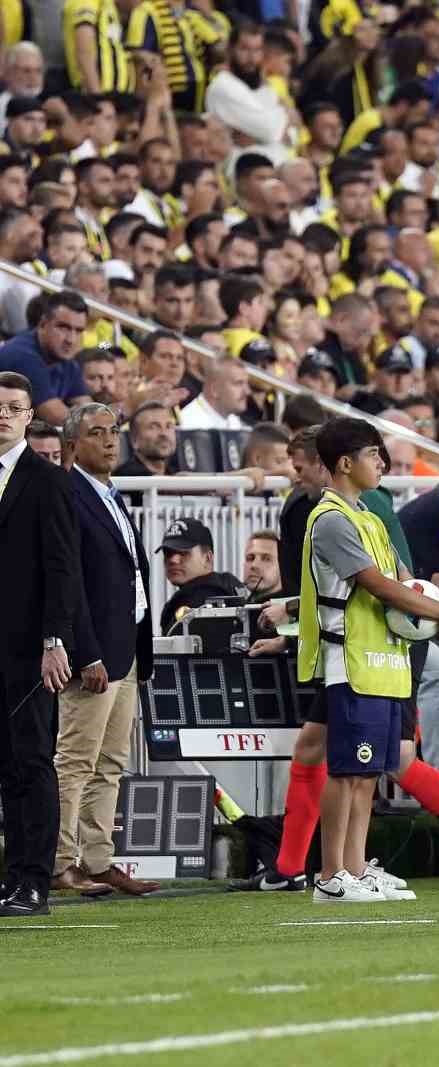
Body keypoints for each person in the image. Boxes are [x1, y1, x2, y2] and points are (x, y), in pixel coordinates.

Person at [297, 417, 439, 903]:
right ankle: (330, 876)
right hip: (351, 659)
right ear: (345, 464)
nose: (382, 464)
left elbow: (404, 577)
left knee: (369, 773)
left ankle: (355, 867)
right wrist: (436, 610)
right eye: (373, 455)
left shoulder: (369, 515)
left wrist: (438, 613)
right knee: (346, 770)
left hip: (387, 661)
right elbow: (377, 583)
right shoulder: (331, 519)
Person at [54, 404, 156, 898]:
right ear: (73, 446)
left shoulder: (110, 495)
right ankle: (59, 862)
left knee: (110, 761)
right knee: (76, 760)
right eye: (97, 433)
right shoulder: (69, 496)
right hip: (95, 653)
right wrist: (85, 652)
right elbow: (69, 584)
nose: (111, 441)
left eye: (114, 432)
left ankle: (98, 859)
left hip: (126, 646)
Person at [0, 372, 81, 917]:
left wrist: (55, 640)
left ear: (29, 417)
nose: (2, 415)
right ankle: (13, 880)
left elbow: (62, 569)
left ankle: (34, 883)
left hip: (27, 649)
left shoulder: (47, 481)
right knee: (7, 767)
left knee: (31, 762)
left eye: (13, 407)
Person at [0, 291, 91, 427]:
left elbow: (89, 409)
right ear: (42, 325)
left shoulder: (67, 360)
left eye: (78, 331)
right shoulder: (21, 355)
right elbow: (57, 417)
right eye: (63, 327)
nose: (71, 340)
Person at [157, 517, 250, 634]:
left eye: (184, 552)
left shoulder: (204, 600)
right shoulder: (229, 588)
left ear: (207, 558)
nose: (173, 560)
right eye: (168, 553)